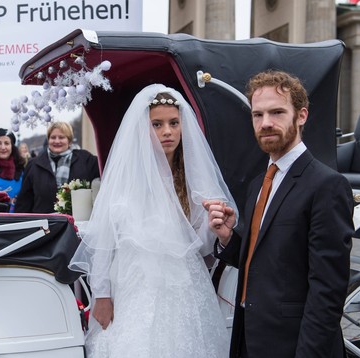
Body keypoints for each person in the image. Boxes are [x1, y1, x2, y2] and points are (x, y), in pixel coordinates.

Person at [69, 84, 237, 358]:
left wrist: (215, 228)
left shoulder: (193, 181)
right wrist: (101, 295)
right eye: (156, 124)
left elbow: (201, 245)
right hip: (134, 283)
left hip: (182, 286)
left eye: (173, 123)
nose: (167, 131)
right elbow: (104, 242)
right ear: (142, 128)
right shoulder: (126, 179)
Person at [204, 70, 354, 358]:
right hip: (250, 337)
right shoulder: (258, 184)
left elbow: (328, 291)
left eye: (277, 112)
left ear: (301, 116)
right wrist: (228, 240)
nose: (266, 123)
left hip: (294, 345)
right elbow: (266, 261)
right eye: (257, 115)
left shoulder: (327, 185)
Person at [15, 121, 99, 213]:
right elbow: (24, 201)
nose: (57, 141)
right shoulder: (34, 164)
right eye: (53, 137)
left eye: (62, 137)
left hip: (77, 224)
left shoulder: (86, 160)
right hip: (43, 224)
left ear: (69, 141)